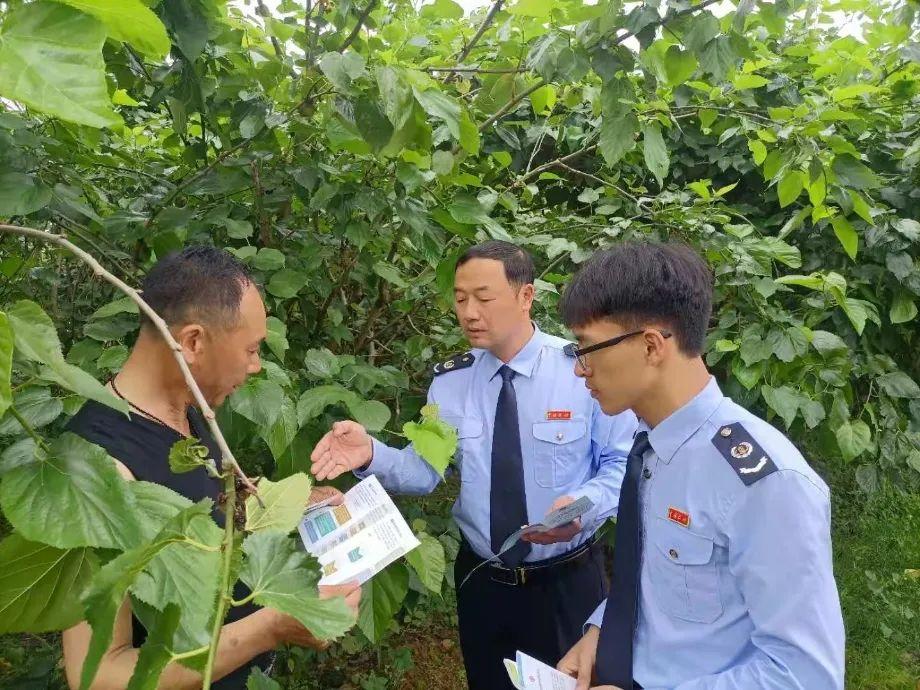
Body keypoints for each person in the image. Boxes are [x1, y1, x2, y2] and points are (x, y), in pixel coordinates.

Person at [310, 240, 638, 689]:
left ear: (526, 296)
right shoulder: (451, 382)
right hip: (483, 581)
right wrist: (371, 454)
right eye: (460, 298)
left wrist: (585, 505)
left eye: (484, 298)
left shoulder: (581, 371)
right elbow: (427, 471)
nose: (468, 312)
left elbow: (622, 464)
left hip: (566, 581)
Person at [64, 246, 360, 690]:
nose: (256, 366)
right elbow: (99, 676)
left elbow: (206, 496)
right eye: (252, 349)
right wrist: (270, 628)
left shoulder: (191, 408)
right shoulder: (96, 473)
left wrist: (293, 502)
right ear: (193, 342)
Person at [555, 242, 845, 689]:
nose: (580, 370)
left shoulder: (763, 482)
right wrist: (601, 628)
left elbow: (805, 675)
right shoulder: (650, 446)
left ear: (651, 345)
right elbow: (656, 579)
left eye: (587, 349)